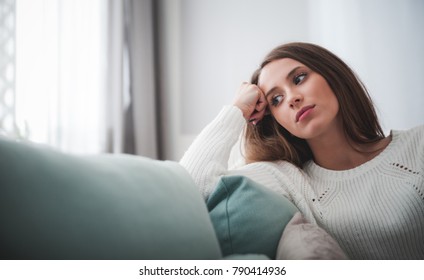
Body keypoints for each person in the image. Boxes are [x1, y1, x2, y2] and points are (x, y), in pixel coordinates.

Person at [180, 42, 424, 259]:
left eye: (298, 79)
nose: (292, 99)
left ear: (332, 75)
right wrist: (237, 110)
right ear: (275, 120)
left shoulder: (418, 144)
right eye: (275, 99)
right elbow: (189, 192)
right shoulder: (289, 179)